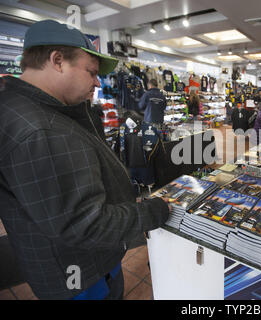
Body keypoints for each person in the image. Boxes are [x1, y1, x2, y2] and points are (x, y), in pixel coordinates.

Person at [0, 20, 171, 300]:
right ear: (57, 61)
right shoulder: (38, 129)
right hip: (78, 276)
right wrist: (153, 212)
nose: (96, 82)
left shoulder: (51, 112)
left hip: (88, 263)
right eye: (91, 72)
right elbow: (84, 223)